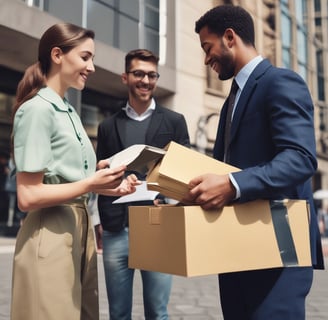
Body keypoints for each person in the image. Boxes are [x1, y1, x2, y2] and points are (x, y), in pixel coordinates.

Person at [183, 5, 325, 320]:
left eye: (208, 48)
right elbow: (224, 168)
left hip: (280, 251)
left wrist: (233, 185)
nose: (207, 59)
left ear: (230, 38)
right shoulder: (229, 101)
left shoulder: (281, 82)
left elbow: (301, 159)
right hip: (236, 252)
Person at [10, 23, 140, 320]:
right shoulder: (37, 110)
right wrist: (91, 183)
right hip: (50, 236)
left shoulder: (68, 111)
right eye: (85, 57)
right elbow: (27, 195)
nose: (91, 67)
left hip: (79, 234)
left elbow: (72, 180)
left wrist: (108, 185)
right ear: (57, 55)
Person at [95, 48, 190, 319]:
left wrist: (171, 202)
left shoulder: (174, 121)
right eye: (139, 74)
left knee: (158, 313)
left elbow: (185, 174)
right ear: (125, 77)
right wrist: (97, 221)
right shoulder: (107, 126)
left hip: (158, 227)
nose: (146, 81)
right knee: (118, 313)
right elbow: (99, 175)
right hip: (116, 229)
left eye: (151, 75)